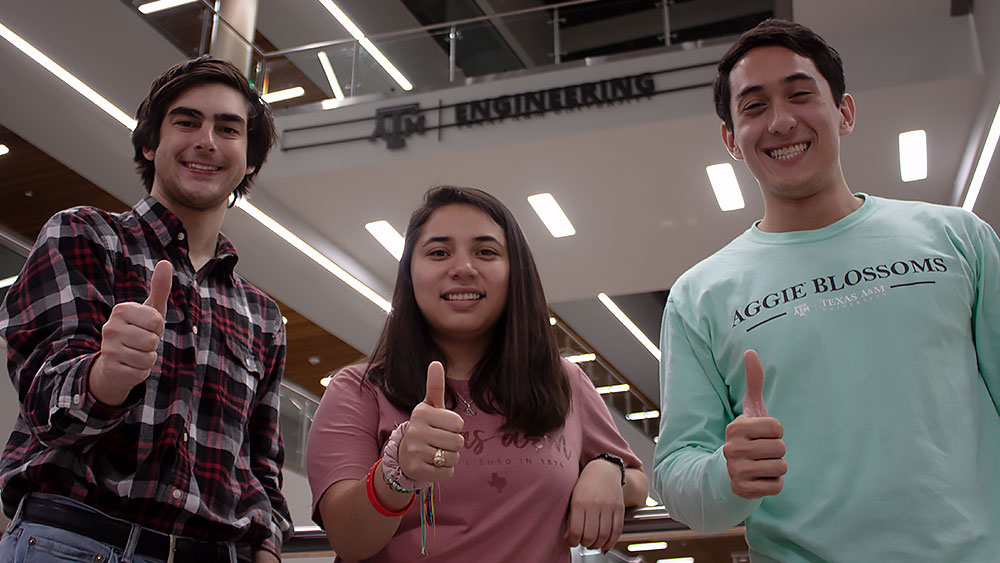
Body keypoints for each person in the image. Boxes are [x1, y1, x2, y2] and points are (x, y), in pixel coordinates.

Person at [653, 18, 1000, 562]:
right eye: (754, 106)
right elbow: (676, 474)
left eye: (800, 95)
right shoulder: (701, 295)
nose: (781, 121)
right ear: (731, 140)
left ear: (845, 111)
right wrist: (728, 475)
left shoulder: (958, 238)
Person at [0, 56, 291, 563]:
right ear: (149, 144)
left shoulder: (262, 315)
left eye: (229, 128)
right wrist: (105, 377)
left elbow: (261, 465)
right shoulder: (84, 236)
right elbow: (47, 404)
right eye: (186, 121)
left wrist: (266, 545)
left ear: (249, 162)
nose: (207, 140)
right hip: (75, 542)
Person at [306, 186, 648, 562]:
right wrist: (397, 473)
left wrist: (605, 468)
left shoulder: (562, 382)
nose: (463, 268)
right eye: (438, 252)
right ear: (410, 275)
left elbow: (635, 480)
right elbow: (347, 540)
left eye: (486, 252)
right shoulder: (358, 391)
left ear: (515, 272)